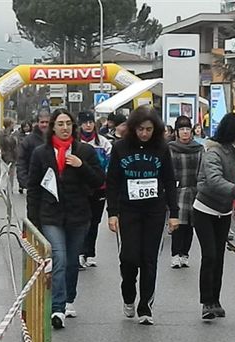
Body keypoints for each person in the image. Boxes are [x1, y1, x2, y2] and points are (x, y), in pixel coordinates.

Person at [27, 109, 105, 329]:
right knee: (59, 259)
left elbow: (99, 180)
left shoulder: (85, 151)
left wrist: (81, 166)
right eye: (60, 124)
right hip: (51, 215)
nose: (64, 128)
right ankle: (57, 308)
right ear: (52, 126)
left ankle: (69, 298)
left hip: (78, 216)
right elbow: (33, 188)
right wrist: (34, 221)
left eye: (68, 124)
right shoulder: (41, 153)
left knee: (72, 262)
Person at [106, 106, 179, 325]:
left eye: (148, 129)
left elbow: (169, 181)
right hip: (128, 209)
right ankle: (128, 295)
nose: (144, 133)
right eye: (140, 129)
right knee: (129, 258)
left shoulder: (162, 148)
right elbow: (112, 182)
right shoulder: (120, 148)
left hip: (154, 210)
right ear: (133, 128)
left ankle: (145, 305)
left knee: (149, 259)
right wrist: (112, 213)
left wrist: (174, 213)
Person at [193, 113, 235, 321]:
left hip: (224, 211)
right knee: (209, 255)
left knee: (219, 256)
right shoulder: (213, 153)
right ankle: (206, 302)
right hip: (204, 210)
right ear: (234, 136)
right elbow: (214, 181)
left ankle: (216, 300)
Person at [77, 110, 113, 268]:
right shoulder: (75, 141)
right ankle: (79, 252)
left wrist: (104, 179)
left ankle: (90, 253)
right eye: (85, 122)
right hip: (81, 188)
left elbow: (110, 164)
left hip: (100, 187)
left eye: (90, 122)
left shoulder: (103, 142)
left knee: (94, 222)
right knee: (81, 221)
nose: (88, 125)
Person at [168, 116, 204, 269]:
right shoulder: (170, 148)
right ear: (176, 132)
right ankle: (175, 254)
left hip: (195, 190)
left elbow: (203, 169)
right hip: (178, 190)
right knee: (178, 223)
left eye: (187, 129)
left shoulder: (199, 148)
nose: (185, 132)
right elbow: (167, 170)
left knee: (191, 224)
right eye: (181, 129)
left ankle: (185, 254)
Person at [18, 109, 50, 195]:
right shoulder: (29, 140)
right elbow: (21, 160)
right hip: (34, 183)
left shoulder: (55, 138)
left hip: (52, 184)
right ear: (37, 123)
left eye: (47, 122)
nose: (44, 124)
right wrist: (24, 181)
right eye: (42, 122)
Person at [0, 117, 19, 192]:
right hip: (4, 156)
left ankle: (10, 188)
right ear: (9, 125)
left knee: (12, 173)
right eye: (12, 124)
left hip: (13, 155)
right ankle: (2, 188)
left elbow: (17, 144)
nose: (14, 125)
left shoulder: (15, 133)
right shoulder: (1, 133)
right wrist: (0, 151)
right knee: (4, 172)